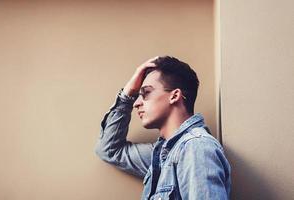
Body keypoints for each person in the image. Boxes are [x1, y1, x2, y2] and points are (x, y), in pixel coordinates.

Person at [95, 56, 231, 199]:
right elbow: (109, 150)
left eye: (146, 93)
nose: (136, 103)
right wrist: (127, 94)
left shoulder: (196, 147)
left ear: (174, 96)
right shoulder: (162, 155)